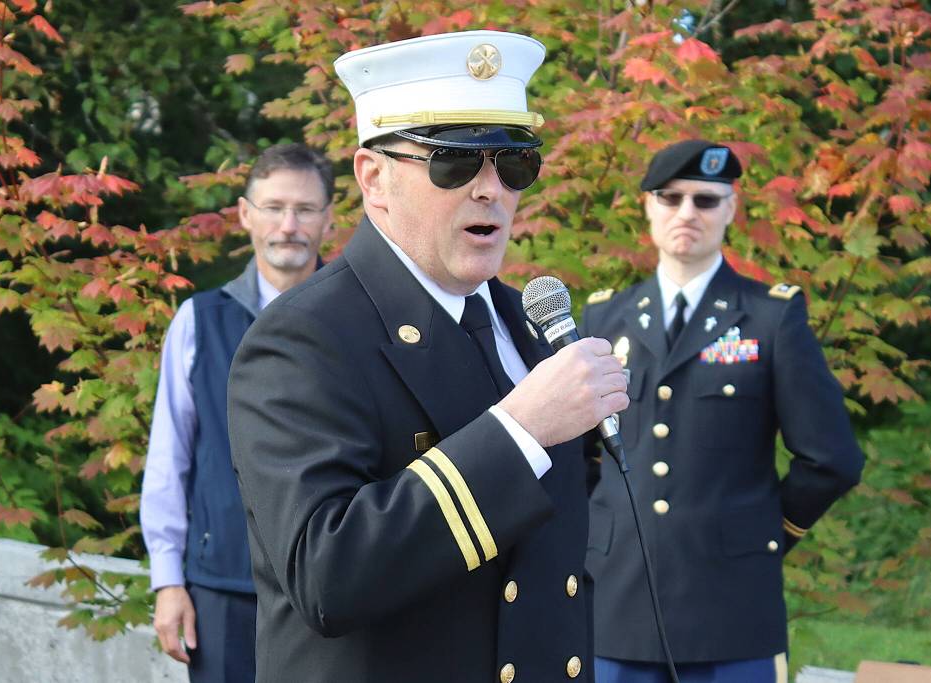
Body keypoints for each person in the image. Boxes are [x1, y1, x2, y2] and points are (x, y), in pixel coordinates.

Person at [227, 30, 628, 683]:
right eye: (454, 162)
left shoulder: (528, 325)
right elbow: (327, 575)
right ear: (373, 178)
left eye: (515, 163)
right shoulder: (303, 337)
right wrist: (519, 429)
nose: (490, 190)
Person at [582, 139, 865, 683]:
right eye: (671, 197)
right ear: (648, 205)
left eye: (706, 201)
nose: (687, 213)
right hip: (615, 604)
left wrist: (764, 531)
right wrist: (596, 532)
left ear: (731, 209)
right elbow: (571, 452)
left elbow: (832, 459)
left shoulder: (770, 318)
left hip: (730, 608)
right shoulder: (604, 319)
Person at [139, 143, 334, 682]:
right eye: (273, 207)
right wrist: (168, 581)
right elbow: (170, 456)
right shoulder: (199, 321)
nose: (288, 224)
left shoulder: (359, 320)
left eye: (305, 209)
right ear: (246, 214)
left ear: (330, 218)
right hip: (221, 587)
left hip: (332, 587)